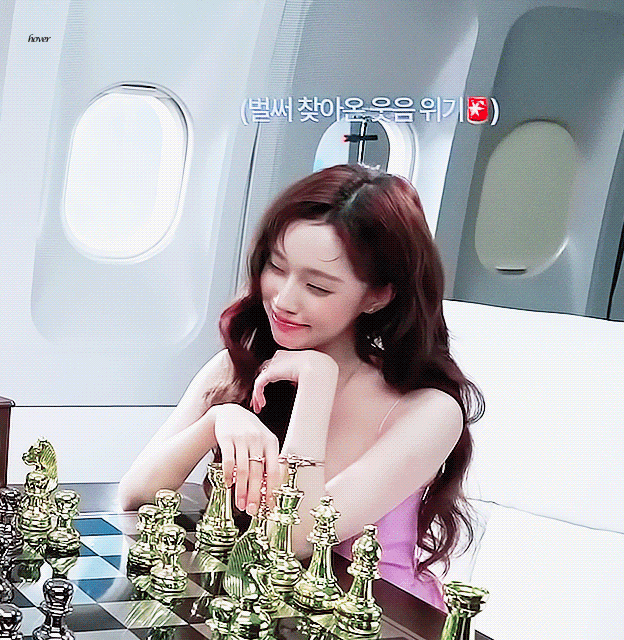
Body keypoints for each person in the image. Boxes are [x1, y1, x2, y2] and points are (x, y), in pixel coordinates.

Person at [118, 163, 484, 611]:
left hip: (371, 617)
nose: (284, 300)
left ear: (378, 296)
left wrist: (316, 382)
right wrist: (216, 421)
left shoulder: (428, 410)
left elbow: (295, 540)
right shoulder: (238, 366)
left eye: (317, 286)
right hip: (256, 603)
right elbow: (135, 495)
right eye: (276, 266)